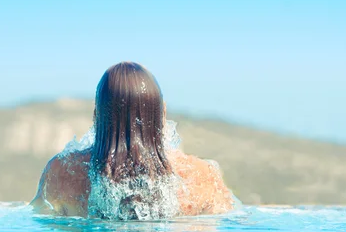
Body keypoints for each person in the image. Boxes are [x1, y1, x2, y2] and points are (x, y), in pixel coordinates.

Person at [31, 62, 235, 219]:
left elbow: (41, 223)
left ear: (97, 116)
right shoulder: (201, 176)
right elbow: (228, 225)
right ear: (162, 114)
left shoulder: (61, 172)